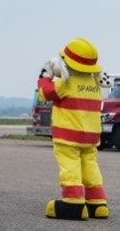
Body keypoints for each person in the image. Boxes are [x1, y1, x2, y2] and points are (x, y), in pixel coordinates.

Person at [37, 37, 109, 220]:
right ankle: (97, 204)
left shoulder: (66, 83)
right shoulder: (95, 85)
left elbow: (44, 94)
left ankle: (73, 203)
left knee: (70, 168)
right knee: (90, 167)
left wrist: (45, 75)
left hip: (68, 137)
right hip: (91, 137)